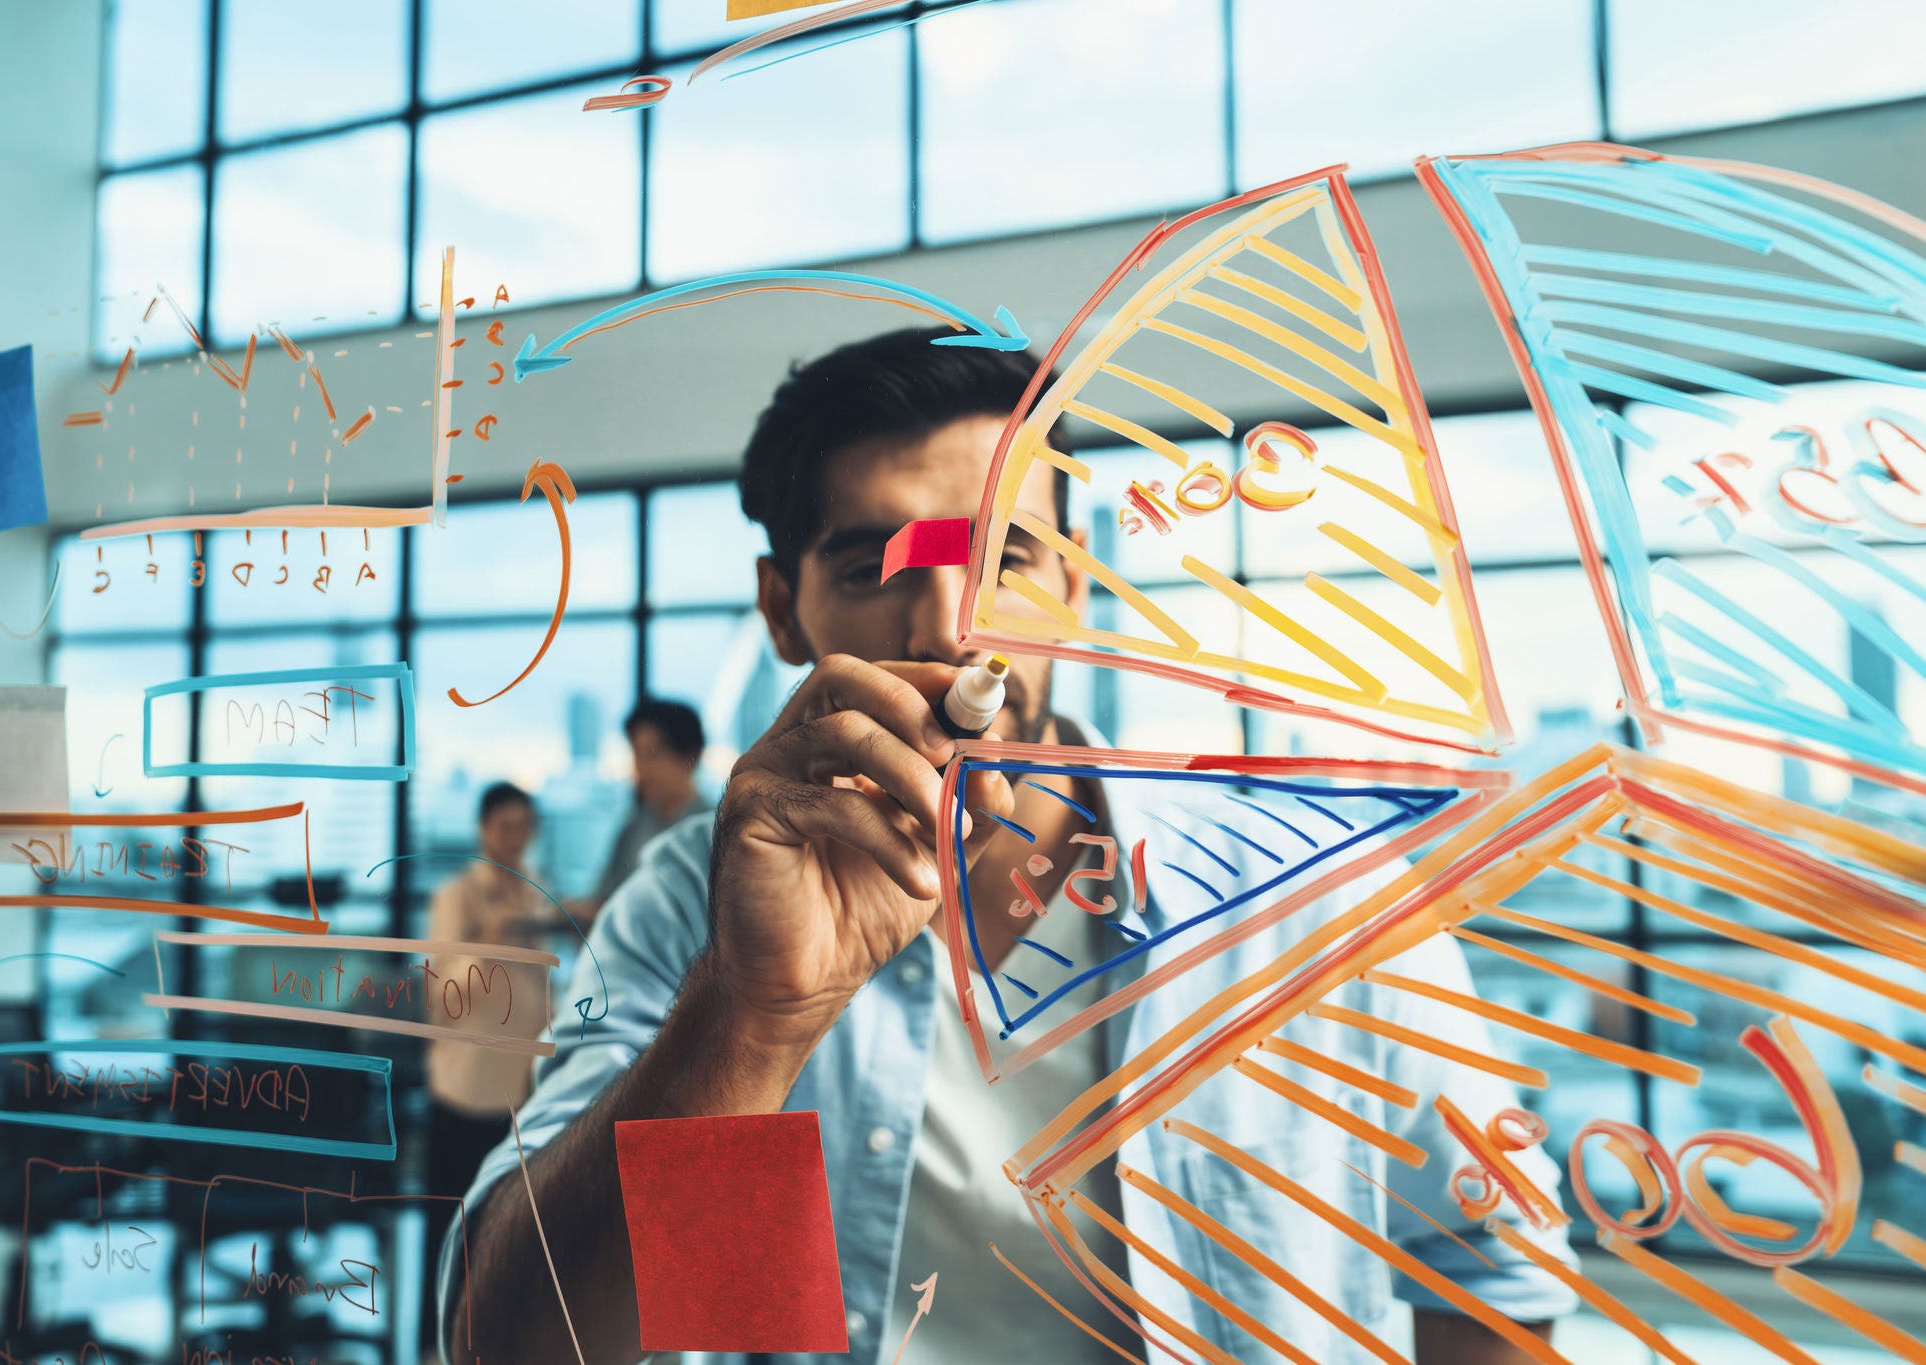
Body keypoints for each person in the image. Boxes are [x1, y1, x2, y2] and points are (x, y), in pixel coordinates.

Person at [441, 330, 1577, 1364]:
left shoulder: (1306, 895)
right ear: (783, 612)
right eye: (871, 567)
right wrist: (750, 1018)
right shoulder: (689, 909)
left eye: (1005, 561)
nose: (941, 628)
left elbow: (1486, 1280)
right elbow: (520, 1346)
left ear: (1072, 592)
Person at [423, 780, 563, 1353]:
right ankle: (436, 1346)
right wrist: (490, 939)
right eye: (506, 828)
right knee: (451, 1235)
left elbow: (543, 990)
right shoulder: (456, 898)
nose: (515, 840)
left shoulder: (538, 894)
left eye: (525, 829)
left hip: (520, 1093)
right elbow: (441, 996)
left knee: (510, 1234)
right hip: (464, 1089)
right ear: (484, 831)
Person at [585, 698, 712, 917]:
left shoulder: (715, 832)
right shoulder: (633, 827)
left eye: (651, 755)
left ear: (689, 756)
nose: (640, 769)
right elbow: (603, 901)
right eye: (636, 755)